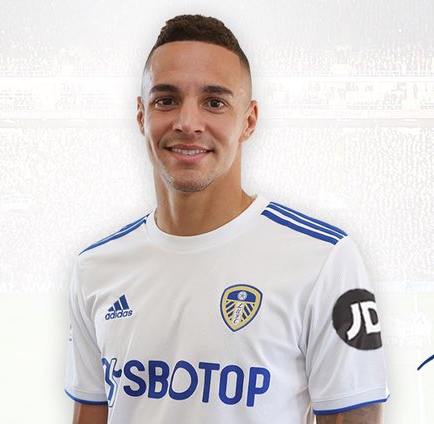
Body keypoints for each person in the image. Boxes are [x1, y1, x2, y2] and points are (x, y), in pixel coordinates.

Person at [64, 15, 388, 424]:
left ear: (248, 121)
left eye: (214, 102)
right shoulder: (95, 268)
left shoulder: (325, 260)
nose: (187, 122)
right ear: (142, 116)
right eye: (166, 100)